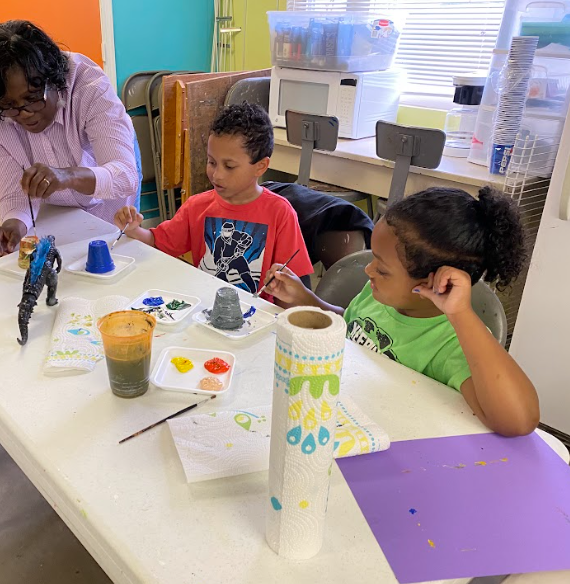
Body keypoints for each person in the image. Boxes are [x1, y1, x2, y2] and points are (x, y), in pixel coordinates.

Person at [264, 186, 540, 437]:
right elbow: (352, 326)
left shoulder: (450, 344)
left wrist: (461, 314)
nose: (368, 269)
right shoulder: (381, 297)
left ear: (434, 283)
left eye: (381, 269)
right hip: (348, 416)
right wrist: (305, 298)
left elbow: (519, 421)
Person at [0, 20, 140, 257]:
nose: (24, 113)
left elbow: (124, 176)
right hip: (61, 211)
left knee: (113, 256)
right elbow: (13, 193)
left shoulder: (88, 85)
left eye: (32, 97)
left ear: (55, 80)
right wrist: (13, 225)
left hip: (110, 195)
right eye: (9, 106)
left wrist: (68, 175)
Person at [113, 103, 314, 301]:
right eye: (211, 162)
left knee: (243, 269)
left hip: (256, 317)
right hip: (204, 308)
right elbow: (157, 243)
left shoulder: (280, 213)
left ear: (260, 167)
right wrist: (133, 230)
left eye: (229, 166)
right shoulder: (197, 207)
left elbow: (294, 291)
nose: (216, 175)